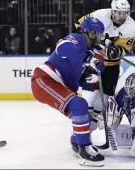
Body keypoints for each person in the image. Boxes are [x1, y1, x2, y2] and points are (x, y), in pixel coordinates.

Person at [31, 17, 106, 167]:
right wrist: (91, 57)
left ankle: (77, 142)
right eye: (98, 34)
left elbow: (78, 80)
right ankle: (84, 150)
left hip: (58, 84)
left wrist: (95, 85)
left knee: (83, 110)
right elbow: (62, 47)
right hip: (45, 79)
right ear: (90, 33)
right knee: (79, 104)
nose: (100, 38)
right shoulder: (77, 39)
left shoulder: (87, 53)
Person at [75, 0, 135, 132]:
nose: (121, 16)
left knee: (100, 104)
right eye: (119, 12)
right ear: (113, 11)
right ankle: (81, 132)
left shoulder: (131, 27)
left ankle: (89, 133)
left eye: (124, 13)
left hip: (111, 67)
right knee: (89, 100)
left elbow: (121, 51)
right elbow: (79, 24)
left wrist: (113, 51)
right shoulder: (100, 15)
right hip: (93, 62)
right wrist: (92, 39)